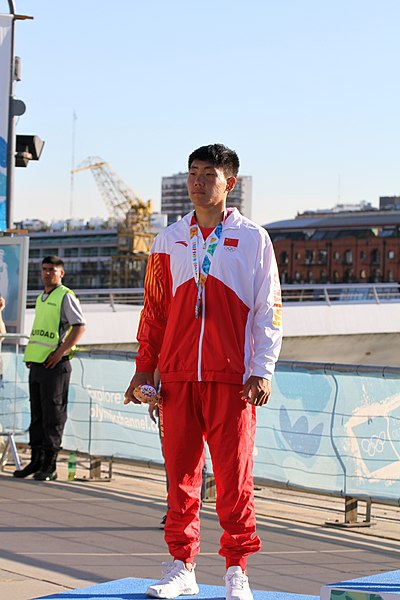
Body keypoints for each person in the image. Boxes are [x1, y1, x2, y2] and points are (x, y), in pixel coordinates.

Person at [125, 144, 283, 600]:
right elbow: (153, 312)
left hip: (232, 379)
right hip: (176, 379)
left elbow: (268, 309)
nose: (197, 181)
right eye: (192, 173)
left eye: (208, 173)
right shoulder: (168, 239)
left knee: (234, 477)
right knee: (180, 477)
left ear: (229, 182)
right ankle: (182, 565)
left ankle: (236, 568)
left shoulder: (254, 238)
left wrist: (262, 368)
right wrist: (144, 372)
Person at [13, 256, 86, 481]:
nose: (47, 273)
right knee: (37, 415)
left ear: (61, 273)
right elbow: (40, 331)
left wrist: (60, 352)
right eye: (44, 269)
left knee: (53, 416)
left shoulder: (65, 296)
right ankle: (36, 461)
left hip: (56, 365)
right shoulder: (42, 297)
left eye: (52, 270)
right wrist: (32, 355)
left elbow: (79, 326)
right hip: (38, 364)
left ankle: (50, 465)